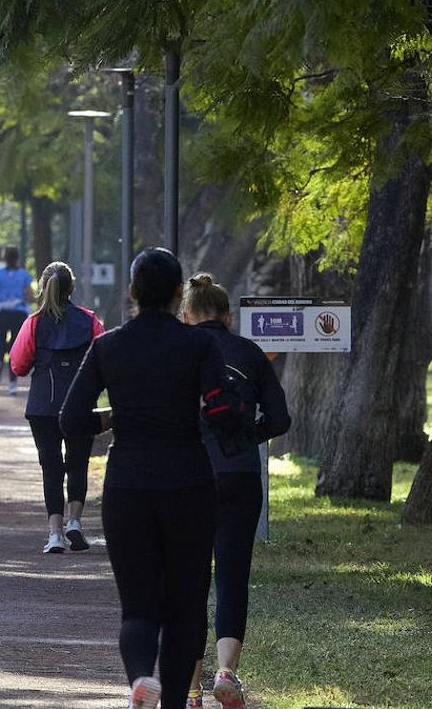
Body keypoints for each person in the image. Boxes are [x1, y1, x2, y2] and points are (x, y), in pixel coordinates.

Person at [60, 247, 243, 709]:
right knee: (185, 604)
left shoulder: (109, 346)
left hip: (128, 485)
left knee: (138, 606)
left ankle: (142, 677)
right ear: (179, 293)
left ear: (132, 292)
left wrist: (113, 418)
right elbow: (223, 412)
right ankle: (175, 702)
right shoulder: (200, 344)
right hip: (189, 483)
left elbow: (70, 419)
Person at [181, 274, 291, 709]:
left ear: (186, 316)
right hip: (240, 475)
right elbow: (280, 420)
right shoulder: (249, 353)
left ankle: (190, 690)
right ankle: (227, 671)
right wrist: (247, 438)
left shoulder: (180, 354)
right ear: (228, 317)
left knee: (188, 580)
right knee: (231, 576)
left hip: (188, 477)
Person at [9, 262, 104, 554]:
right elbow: (104, 358)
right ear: (72, 287)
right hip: (79, 404)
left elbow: (18, 365)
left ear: (42, 287)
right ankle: (75, 522)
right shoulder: (89, 321)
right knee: (78, 464)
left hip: (43, 405)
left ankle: (54, 533)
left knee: (51, 468)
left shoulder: (34, 323)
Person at [0, 245, 33, 394]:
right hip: (18, 313)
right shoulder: (24, 275)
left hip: (2, 312)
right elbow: (29, 294)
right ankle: (12, 383)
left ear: (4, 257)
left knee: (0, 345)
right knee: (15, 347)